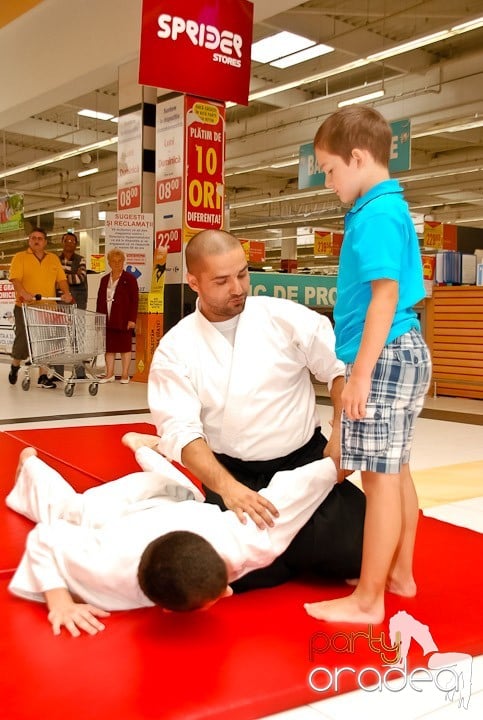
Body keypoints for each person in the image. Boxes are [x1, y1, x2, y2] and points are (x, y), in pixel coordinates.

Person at [148, 228, 366, 588]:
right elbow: (181, 431)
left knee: (356, 548)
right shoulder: (175, 348)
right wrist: (228, 488)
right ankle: (289, 549)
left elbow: (340, 369)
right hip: (233, 473)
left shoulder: (284, 317)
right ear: (193, 282)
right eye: (221, 280)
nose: (237, 288)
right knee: (213, 564)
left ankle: (280, 554)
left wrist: (342, 431)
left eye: (243, 273)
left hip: (302, 462)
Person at [7, 432, 342, 637]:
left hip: (170, 499)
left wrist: (336, 467)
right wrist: (59, 601)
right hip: (128, 509)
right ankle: (31, 466)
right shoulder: (105, 566)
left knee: (189, 494)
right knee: (69, 511)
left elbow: (289, 493)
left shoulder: (237, 538)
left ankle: (144, 448)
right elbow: (47, 535)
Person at [304, 105, 432, 625]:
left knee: (379, 477)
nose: (329, 182)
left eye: (331, 170)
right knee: (395, 468)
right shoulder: (382, 207)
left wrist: (359, 375)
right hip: (401, 350)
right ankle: (399, 574)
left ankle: (369, 600)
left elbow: (385, 297)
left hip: (383, 353)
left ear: (358, 158)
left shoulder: (377, 213)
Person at [8, 227, 73, 389]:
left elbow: (62, 279)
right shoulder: (20, 257)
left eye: (40, 238)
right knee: (23, 340)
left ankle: (43, 376)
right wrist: (24, 293)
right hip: (25, 306)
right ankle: (15, 365)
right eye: (33, 238)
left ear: (45, 242)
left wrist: (66, 293)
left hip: (47, 307)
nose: (36, 240)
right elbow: (15, 280)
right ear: (29, 240)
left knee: (45, 341)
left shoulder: (53, 259)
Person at [96, 248, 138, 383]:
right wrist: (98, 319)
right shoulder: (103, 280)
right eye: (113, 261)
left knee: (124, 347)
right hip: (107, 317)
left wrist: (132, 319)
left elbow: (134, 300)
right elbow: (99, 299)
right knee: (109, 347)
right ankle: (109, 374)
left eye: (120, 261)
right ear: (109, 262)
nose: (117, 263)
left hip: (123, 318)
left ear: (124, 262)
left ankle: (125, 374)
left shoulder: (130, 279)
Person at [54, 231, 88, 380]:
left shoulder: (81, 259)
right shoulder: (55, 260)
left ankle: (80, 373)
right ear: (62, 243)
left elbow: (80, 278)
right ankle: (57, 373)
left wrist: (61, 280)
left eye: (72, 241)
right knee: (58, 338)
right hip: (58, 303)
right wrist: (66, 279)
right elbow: (52, 279)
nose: (69, 243)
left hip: (77, 303)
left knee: (77, 338)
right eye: (67, 241)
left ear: (76, 244)